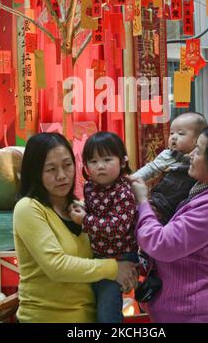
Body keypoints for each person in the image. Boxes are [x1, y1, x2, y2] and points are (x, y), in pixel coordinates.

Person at [131, 124, 208, 323]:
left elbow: (161, 244)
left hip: (191, 312)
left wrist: (143, 202)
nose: (190, 155)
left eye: (199, 151)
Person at [13, 132, 137, 323]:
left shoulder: (81, 208)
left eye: (67, 165)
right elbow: (57, 266)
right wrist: (114, 269)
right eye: (51, 169)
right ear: (35, 171)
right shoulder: (29, 208)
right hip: (47, 318)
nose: (62, 176)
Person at [69, 131, 138, 323]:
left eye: (107, 159)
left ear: (122, 162)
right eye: (93, 161)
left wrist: (85, 221)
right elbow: (93, 211)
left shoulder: (123, 192)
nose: (100, 166)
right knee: (94, 306)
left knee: (107, 314)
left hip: (120, 255)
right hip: (99, 256)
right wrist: (81, 208)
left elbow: (117, 227)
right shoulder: (90, 187)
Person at [131, 112, 208, 224]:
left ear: (198, 139)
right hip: (161, 204)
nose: (174, 137)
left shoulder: (202, 159)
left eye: (181, 134)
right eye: (172, 133)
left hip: (185, 208)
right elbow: (150, 169)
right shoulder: (168, 155)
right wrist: (132, 179)